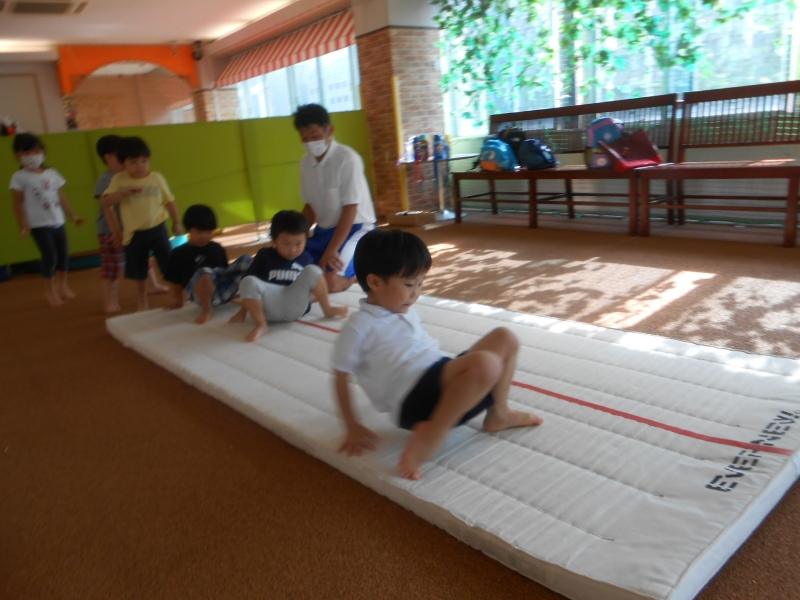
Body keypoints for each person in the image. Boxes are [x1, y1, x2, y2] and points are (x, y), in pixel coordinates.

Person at [332, 229, 543, 481]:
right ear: (375, 283)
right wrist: (351, 425)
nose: (416, 293)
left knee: (504, 337)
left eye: (420, 283)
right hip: (414, 401)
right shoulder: (359, 326)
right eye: (409, 284)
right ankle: (431, 435)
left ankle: (499, 413)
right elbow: (340, 376)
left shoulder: (402, 307)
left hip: (439, 379)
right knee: (486, 364)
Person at [229, 210, 349, 342]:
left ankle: (328, 309)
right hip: (268, 307)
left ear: (306, 240)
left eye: (299, 244)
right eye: (286, 244)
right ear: (274, 240)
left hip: (295, 306)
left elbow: (312, 281)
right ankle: (261, 325)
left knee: (314, 270)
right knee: (247, 281)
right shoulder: (264, 255)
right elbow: (248, 287)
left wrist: (313, 294)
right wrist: (243, 310)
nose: (292, 249)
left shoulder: (306, 258)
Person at [294, 103, 376, 293]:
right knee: (291, 268)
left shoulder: (347, 159)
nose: (310, 143)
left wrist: (332, 249)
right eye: (305, 138)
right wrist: (295, 238)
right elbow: (309, 207)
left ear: (329, 130)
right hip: (323, 231)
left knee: (329, 282)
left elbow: (350, 209)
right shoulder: (305, 163)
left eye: (315, 136)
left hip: (356, 229)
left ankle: (358, 273)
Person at [101, 136, 183, 311]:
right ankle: (142, 301)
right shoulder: (119, 180)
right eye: (133, 162)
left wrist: (177, 222)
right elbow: (106, 202)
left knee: (169, 266)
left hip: (158, 229)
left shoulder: (156, 178)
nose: (140, 166)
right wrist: (122, 193)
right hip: (134, 234)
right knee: (138, 272)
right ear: (123, 164)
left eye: (144, 161)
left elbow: (169, 201)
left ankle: (178, 297)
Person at [9, 133, 85, 307]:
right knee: (50, 257)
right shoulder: (19, 177)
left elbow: (61, 196)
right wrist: (22, 224)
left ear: (42, 151)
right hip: (39, 224)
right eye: (26, 152)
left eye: (35, 151)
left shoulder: (52, 173)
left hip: (58, 221)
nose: (32, 156)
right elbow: (17, 202)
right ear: (18, 155)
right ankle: (50, 291)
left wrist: (73, 215)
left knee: (64, 255)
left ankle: (62, 285)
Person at [163, 204, 251, 324]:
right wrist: (178, 301)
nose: (204, 236)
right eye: (199, 232)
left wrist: (232, 293)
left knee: (247, 260)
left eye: (209, 232)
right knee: (204, 272)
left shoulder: (217, 248)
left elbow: (225, 271)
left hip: (221, 291)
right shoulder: (179, 253)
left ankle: (251, 298)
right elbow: (175, 281)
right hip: (199, 294)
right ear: (189, 230)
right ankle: (208, 310)